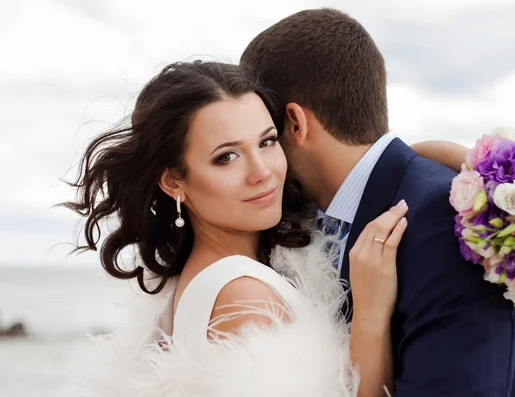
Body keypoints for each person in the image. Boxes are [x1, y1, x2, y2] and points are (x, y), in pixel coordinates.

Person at [65, 60, 468, 396]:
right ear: (174, 181)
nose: (263, 173)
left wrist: (430, 159)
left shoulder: (213, 275)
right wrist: (370, 313)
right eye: (226, 157)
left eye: (267, 141)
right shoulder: (243, 297)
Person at [240, 8, 515, 397]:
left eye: (265, 138)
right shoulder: (311, 220)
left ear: (295, 124)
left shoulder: (447, 222)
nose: (262, 161)